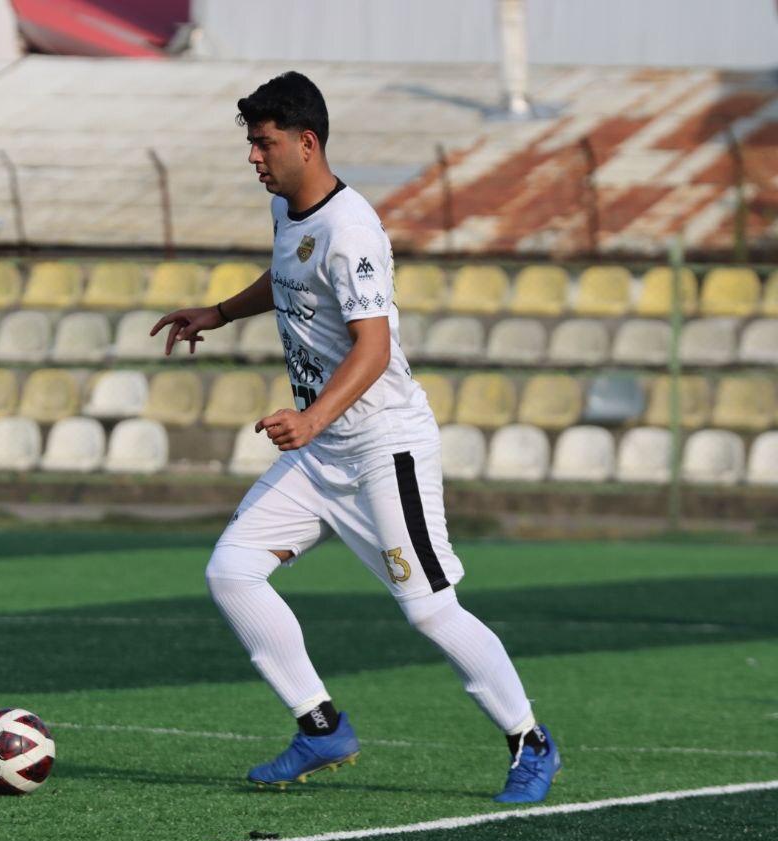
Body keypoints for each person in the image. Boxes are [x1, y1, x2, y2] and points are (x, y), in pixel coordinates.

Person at [150, 72, 559, 803]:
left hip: (381, 447)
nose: (254, 157)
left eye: (264, 143)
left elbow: (374, 347)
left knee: (430, 609)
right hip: (322, 452)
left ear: (306, 142)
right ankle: (321, 726)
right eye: (251, 143)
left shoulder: (353, 230)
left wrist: (310, 418)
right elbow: (287, 277)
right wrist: (219, 312)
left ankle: (530, 739)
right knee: (232, 571)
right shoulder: (287, 208)